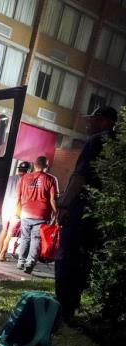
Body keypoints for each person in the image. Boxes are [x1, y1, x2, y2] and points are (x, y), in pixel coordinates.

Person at [55, 106, 118, 322]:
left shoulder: (97, 141)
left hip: (82, 209)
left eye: (93, 119)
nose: (88, 123)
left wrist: (64, 205)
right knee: (86, 261)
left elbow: (79, 177)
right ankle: (74, 305)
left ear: (104, 121)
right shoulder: (120, 147)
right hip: (104, 215)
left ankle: (63, 307)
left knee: (68, 257)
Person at [15, 156, 58, 274]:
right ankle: (30, 263)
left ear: (34, 165)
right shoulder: (51, 179)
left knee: (24, 237)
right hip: (42, 214)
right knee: (36, 239)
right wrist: (56, 213)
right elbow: (53, 199)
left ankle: (21, 262)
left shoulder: (24, 178)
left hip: (25, 212)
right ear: (46, 166)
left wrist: (17, 211)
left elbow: (18, 196)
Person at [0, 161, 30, 261]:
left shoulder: (9, 178)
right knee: (10, 232)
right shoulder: (27, 181)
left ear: (19, 169)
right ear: (27, 171)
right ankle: (2, 255)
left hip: (5, 206)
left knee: (4, 230)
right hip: (16, 209)